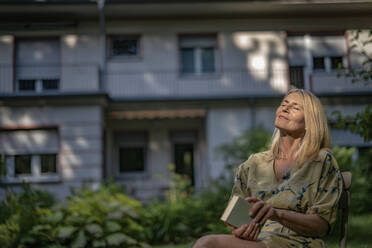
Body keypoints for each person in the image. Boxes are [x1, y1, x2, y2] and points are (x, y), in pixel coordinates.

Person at [193, 88, 343, 248]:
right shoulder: (254, 163)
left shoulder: (321, 161)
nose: (285, 108)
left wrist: (277, 214)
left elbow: (321, 225)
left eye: (295, 107)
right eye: (284, 104)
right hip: (257, 242)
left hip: (299, 242)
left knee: (207, 244)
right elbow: (236, 218)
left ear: (310, 122)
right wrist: (241, 229)